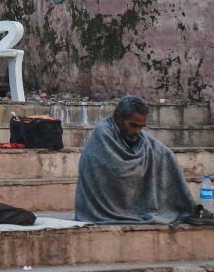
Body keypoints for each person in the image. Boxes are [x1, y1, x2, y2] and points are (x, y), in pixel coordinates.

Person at [74, 95, 194, 224]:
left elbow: (160, 150)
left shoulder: (137, 135)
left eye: (141, 127)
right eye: (133, 125)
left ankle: (182, 207)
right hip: (101, 209)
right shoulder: (102, 132)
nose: (137, 131)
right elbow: (119, 169)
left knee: (164, 155)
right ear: (119, 118)